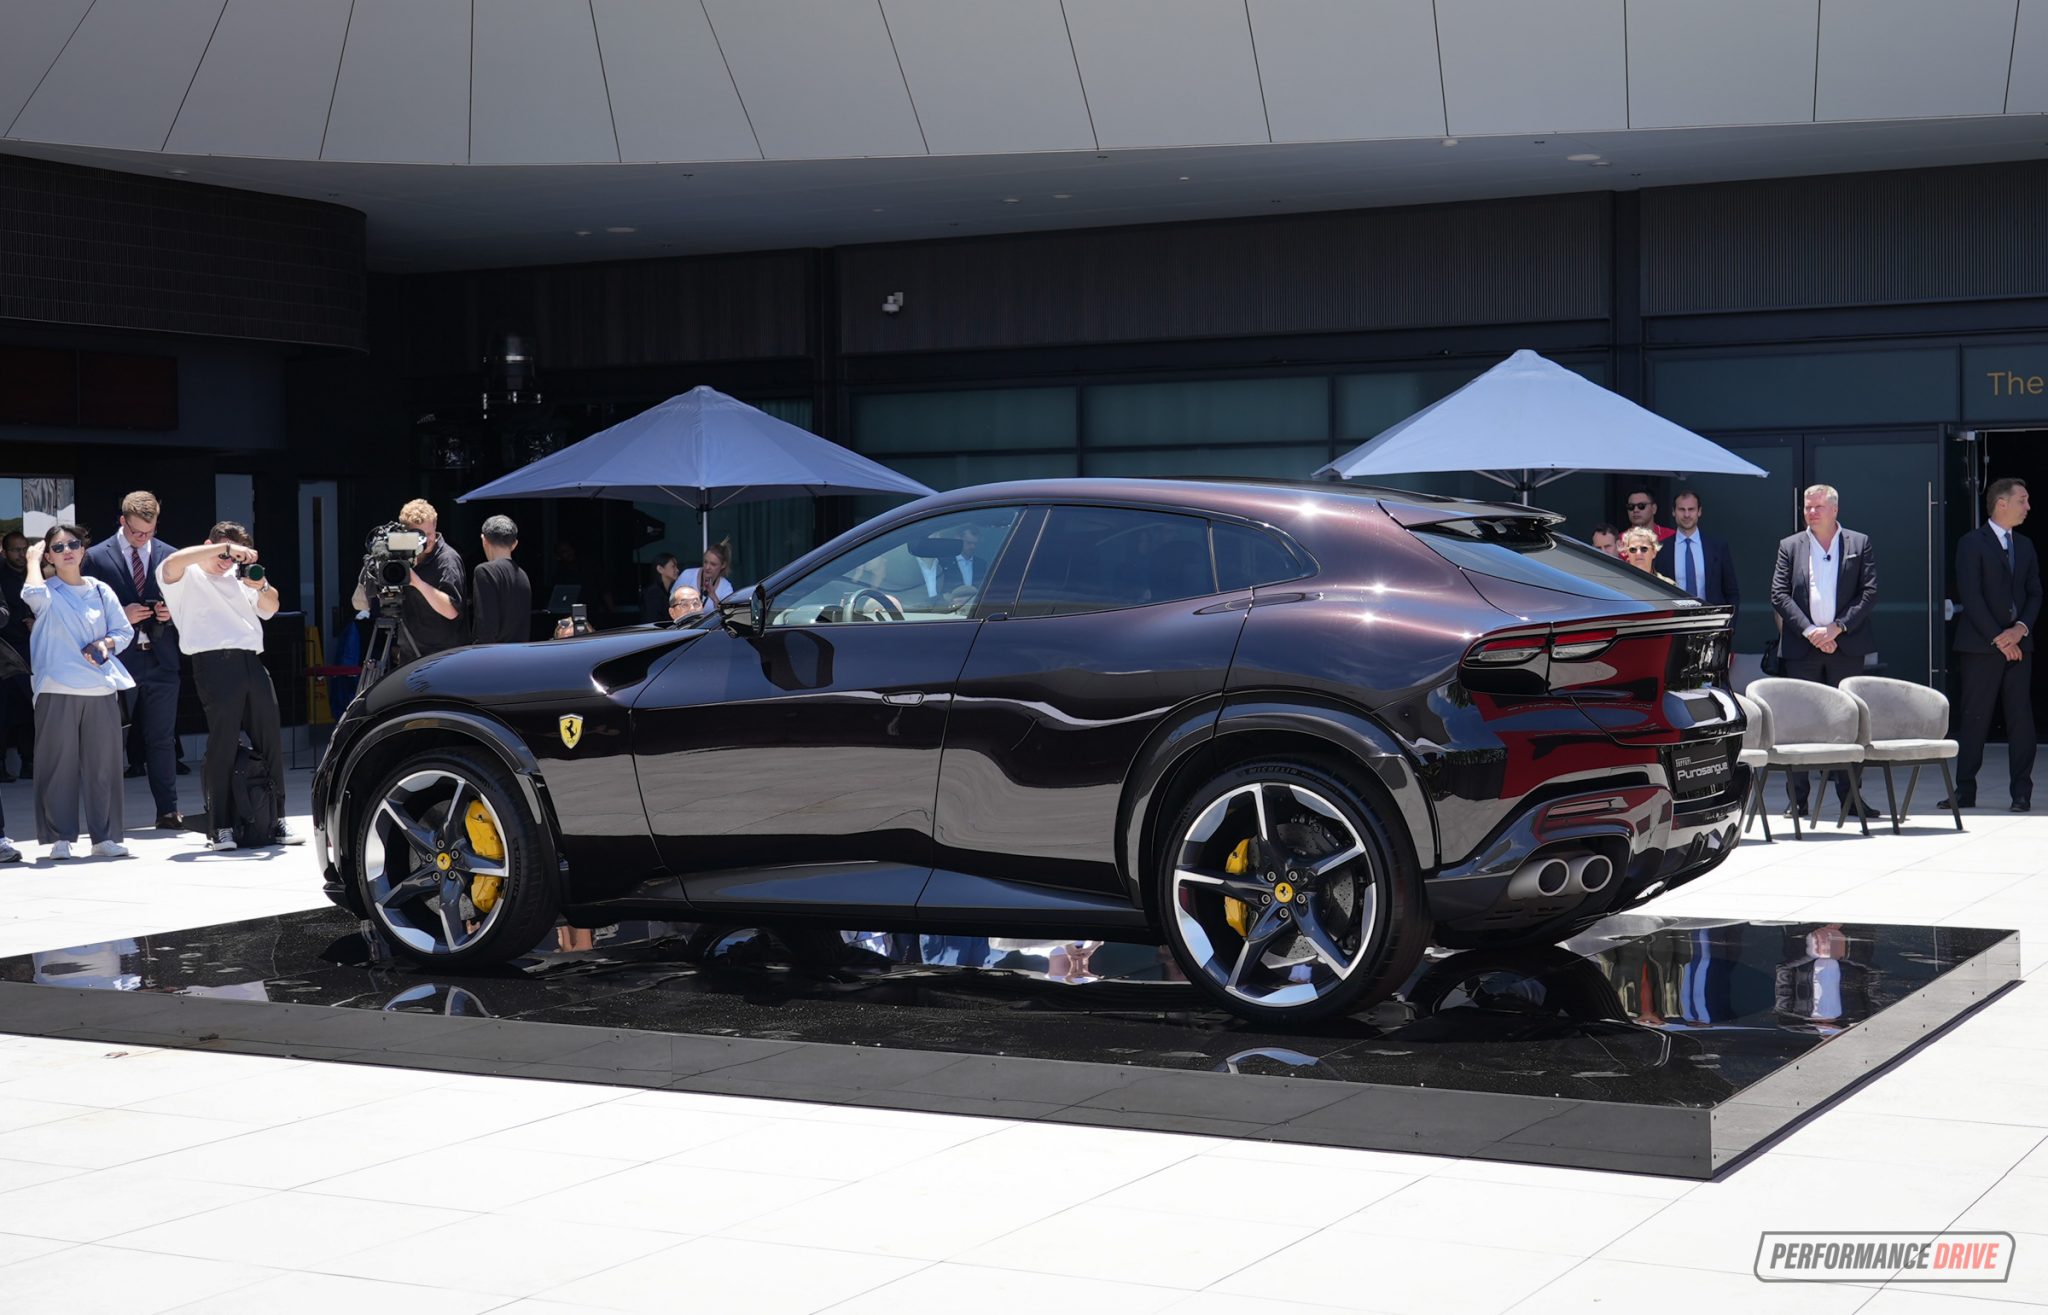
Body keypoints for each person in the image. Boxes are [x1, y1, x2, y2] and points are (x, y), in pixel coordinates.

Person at [159, 522, 300, 852]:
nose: (227, 560)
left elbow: (271, 608)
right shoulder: (188, 573)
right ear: (209, 544)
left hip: (251, 659)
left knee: (270, 740)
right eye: (224, 552)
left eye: (233, 554)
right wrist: (221, 550)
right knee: (223, 742)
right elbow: (172, 563)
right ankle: (220, 825)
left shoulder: (239, 578)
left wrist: (261, 583)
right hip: (213, 662)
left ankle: (276, 817)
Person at [19, 525, 133, 860]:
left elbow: (123, 631)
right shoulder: (46, 589)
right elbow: (32, 597)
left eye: (73, 544)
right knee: (57, 765)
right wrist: (32, 560)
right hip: (57, 687)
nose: (67, 550)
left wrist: (106, 643)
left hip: (100, 687)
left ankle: (106, 836)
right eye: (57, 547)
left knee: (105, 767)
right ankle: (59, 838)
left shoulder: (100, 590)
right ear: (50, 557)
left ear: (83, 550)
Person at [1771, 483, 1878, 819]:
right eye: (1807, 507)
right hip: (1803, 648)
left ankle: (1851, 798)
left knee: (1848, 723)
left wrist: (1837, 628)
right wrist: (1811, 631)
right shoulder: (1790, 545)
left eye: (1817, 507)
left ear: (1835, 509)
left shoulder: (1859, 543)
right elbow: (1779, 594)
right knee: (1799, 723)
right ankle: (1797, 800)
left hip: (1845, 647)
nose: (1811, 512)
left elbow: (1869, 593)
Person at [81, 491, 183, 830]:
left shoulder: (170, 555)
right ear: (122, 521)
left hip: (161, 660)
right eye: (136, 532)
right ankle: (106, 818)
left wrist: (171, 614)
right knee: (110, 741)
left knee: (162, 739)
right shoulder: (95, 557)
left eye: (149, 532)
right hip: (118, 662)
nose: (142, 539)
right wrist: (120, 616)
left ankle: (168, 811)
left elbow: (190, 609)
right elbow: (85, 610)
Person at [1949, 477, 2040, 812]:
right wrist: (1999, 638)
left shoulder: (2026, 545)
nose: (2028, 507)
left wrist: (2020, 629)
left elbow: (2035, 593)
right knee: (1975, 718)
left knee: (2021, 719)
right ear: (2001, 503)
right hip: (1980, 647)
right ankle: (1964, 791)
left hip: (2019, 646)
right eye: (2023, 500)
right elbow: (1970, 596)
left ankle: (2021, 793)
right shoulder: (1972, 543)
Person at [352, 498, 468, 664]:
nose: (426, 540)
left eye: (429, 534)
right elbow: (367, 601)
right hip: (409, 655)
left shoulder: (447, 560)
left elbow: (451, 611)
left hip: (443, 657)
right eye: (418, 536)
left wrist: (417, 582)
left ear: (435, 525)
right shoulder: (401, 556)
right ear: (405, 535)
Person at [1655, 489, 1740, 608]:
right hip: (1675, 622)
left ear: (1699, 511)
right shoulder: (1661, 549)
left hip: (1712, 622)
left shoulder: (1717, 547)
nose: (1686, 515)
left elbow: (1731, 592)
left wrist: (1729, 625)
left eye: (1691, 509)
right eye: (1681, 509)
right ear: (1673, 512)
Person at [0, 531, 34, 781]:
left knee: (29, 709)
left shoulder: (35, 575)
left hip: (31, 650)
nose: (21, 555)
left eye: (24, 549)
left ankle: (29, 761)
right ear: (4, 551)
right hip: (4, 651)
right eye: (15, 550)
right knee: (3, 712)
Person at [471, 514, 532, 645]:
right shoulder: (523, 575)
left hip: (494, 657)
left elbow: (486, 627)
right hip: (520, 656)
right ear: (514, 544)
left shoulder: (484, 571)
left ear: (484, 540)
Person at [640, 552, 680, 621]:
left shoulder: (669, 592)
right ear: (660, 569)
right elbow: (652, 619)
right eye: (673, 566)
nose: (677, 570)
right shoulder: (652, 593)